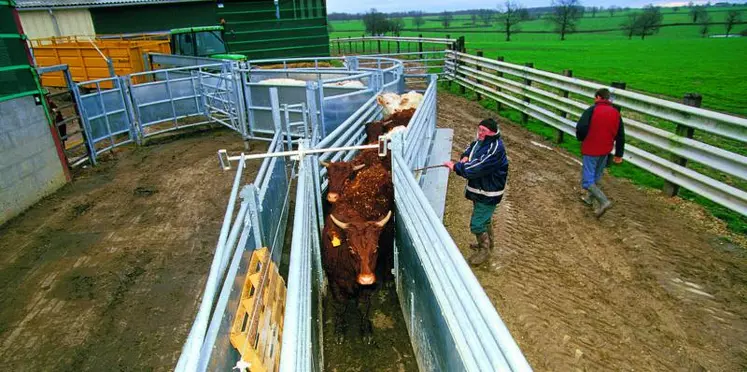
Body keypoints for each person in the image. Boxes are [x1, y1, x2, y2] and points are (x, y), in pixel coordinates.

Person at [444, 118, 509, 266]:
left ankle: (484, 251)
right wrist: (465, 156)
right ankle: (487, 245)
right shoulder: (481, 141)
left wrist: (456, 167)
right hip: (480, 189)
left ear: (492, 132)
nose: (480, 133)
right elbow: (471, 148)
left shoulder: (495, 148)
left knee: (477, 224)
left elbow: (478, 167)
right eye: (479, 129)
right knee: (484, 219)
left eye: (483, 131)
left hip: (489, 192)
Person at [575, 88, 625, 218]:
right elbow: (620, 135)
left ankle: (603, 201)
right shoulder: (616, 113)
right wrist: (619, 154)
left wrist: (581, 138)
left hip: (591, 148)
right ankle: (589, 199)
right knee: (597, 175)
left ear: (598, 97)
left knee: (587, 180)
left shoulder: (591, 110)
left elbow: (581, 127)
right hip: (606, 150)